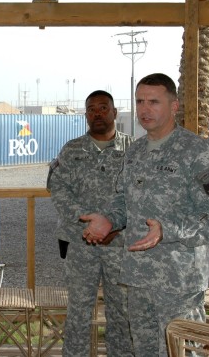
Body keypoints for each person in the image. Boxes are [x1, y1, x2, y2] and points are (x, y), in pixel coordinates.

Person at [82, 73, 209, 356]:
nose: (144, 109)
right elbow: (123, 201)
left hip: (179, 283)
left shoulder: (200, 153)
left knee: (182, 352)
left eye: (154, 102)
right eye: (140, 101)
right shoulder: (135, 152)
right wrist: (109, 219)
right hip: (138, 277)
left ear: (174, 106)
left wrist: (167, 229)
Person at [47, 90, 133, 356]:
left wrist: (113, 225)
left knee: (122, 312)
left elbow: (140, 194)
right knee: (78, 311)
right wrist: (90, 227)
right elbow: (59, 190)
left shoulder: (134, 150)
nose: (97, 113)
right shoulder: (72, 150)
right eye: (92, 109)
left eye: (103, 108)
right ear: (86, 115)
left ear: (114, 112)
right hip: (81, 243)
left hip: (120, 244)